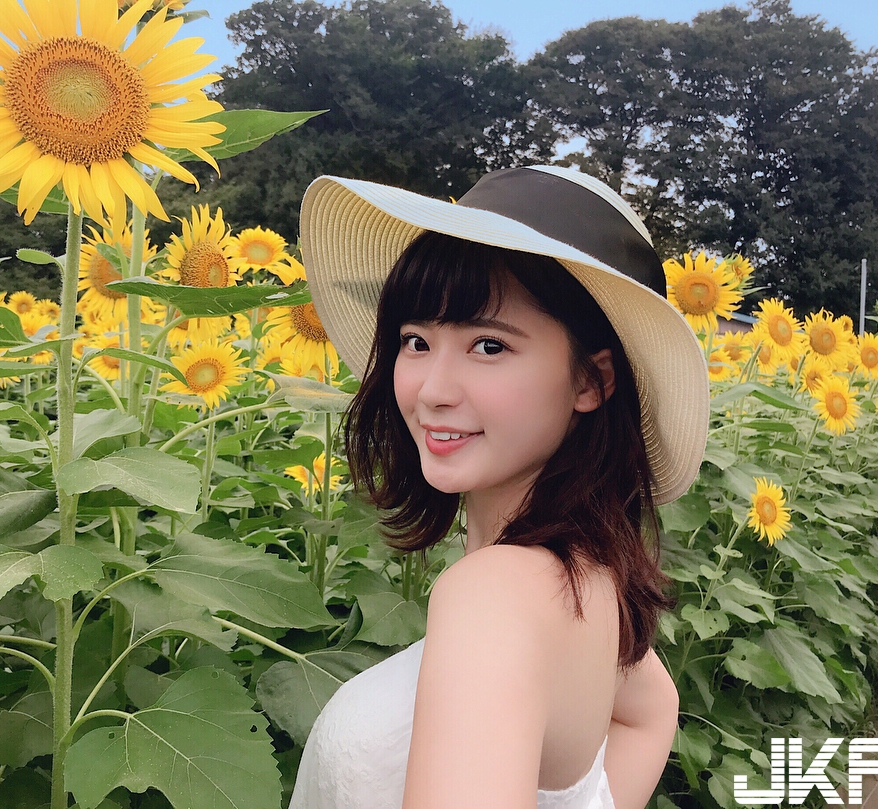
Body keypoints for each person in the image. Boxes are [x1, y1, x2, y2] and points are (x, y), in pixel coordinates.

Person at [288, 166, 709, 809]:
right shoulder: (590, 579)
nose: (432, 390)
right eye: (416, 341)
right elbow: (651, 714)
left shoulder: (493, 596)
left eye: (488, 346)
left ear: (590, 382)